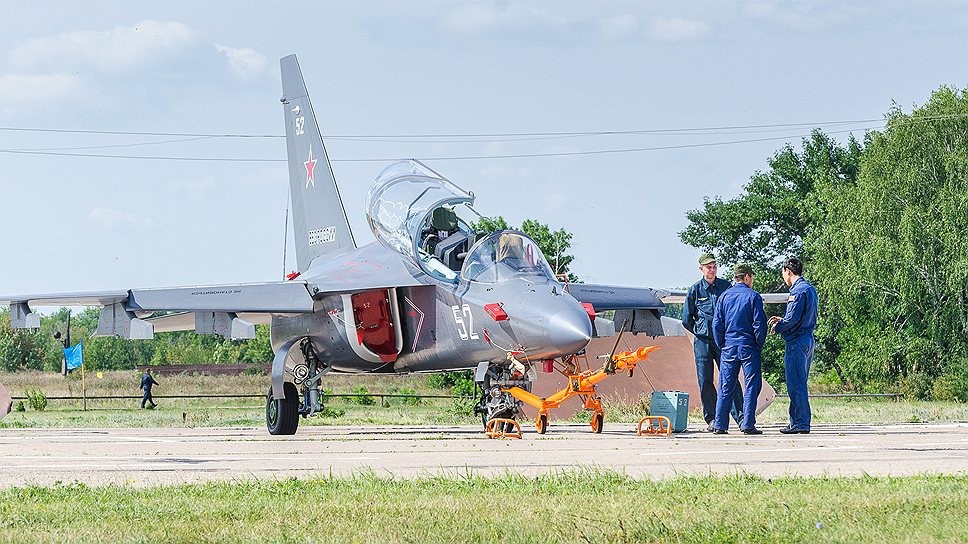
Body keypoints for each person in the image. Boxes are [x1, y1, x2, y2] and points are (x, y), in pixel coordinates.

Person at [681, 252, 743, 431]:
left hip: (723, 341)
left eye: (714, 266)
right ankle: (713, 419)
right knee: (705, 380)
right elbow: (687, 318)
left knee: (730, 378)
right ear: (701, 269)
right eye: (708, 267)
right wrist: (700, 331)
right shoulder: (695, 290)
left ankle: (741, 416)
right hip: (703, 342)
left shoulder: (726, 287)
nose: (712, 269)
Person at [711, 264, 767, 435]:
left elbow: (717, 324)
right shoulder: (754, 297)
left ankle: (720, 424)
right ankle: (748, 423)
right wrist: (758, 344)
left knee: (725, 386)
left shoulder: (724, 296)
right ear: (747, 277)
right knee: (751, 384)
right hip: (749, 346)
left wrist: (722, 344)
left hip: (729, 347)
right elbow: (759, 325)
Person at [768, 258, 818, 434]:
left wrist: (778, 326)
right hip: (808, 340)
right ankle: (798, 421)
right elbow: (802, 316)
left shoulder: (797, 291)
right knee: (800, 382)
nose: (783, 276)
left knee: (795, 384)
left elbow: (793, 319)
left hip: (796, 341)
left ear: (788, 271)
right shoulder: (810, 289)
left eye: (783, 272)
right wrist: (784, 320)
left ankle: (800, 423)